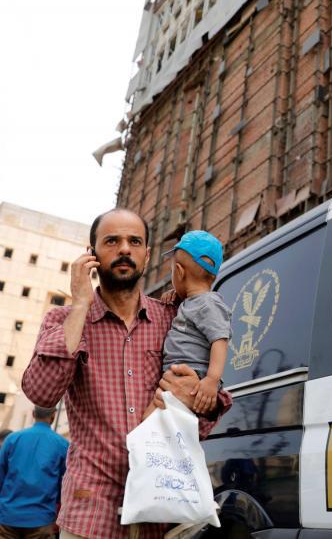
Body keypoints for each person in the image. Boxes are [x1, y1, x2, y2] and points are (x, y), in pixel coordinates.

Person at [21, 209, 232, 539]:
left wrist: (197, 395)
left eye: (134, 241)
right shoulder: (64, 321)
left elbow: (213, 403)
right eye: (111, 241)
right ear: (91, 254)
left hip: (161, 510)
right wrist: (79, 305)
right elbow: (41, 392)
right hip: (92, 512)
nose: (124, 249)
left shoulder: (175, 319)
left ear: (147, 255)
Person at [143, 230, 231, 419]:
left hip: (193, 379)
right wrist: (176, 294)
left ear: (180, 272)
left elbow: (220, 340)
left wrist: (212, 380)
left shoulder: (209, 303)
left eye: (172, 271)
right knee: (150, 423)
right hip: (176, 379)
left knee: (149, 422)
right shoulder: (192, 302)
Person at [0, 406, 68, 539]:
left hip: (8, 516)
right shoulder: (62, 444)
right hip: (41, 519)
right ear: (53, 417)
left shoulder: (12, 439)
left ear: (32, 414)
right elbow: (65, 483)